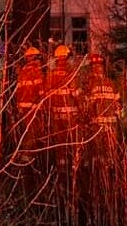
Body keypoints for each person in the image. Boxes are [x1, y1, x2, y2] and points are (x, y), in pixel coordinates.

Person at [46, 45, 80, 178]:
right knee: (72, 141)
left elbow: (47, 97)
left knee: (60, 142)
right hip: (71, 114)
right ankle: (73, 168)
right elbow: (76, 93)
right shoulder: (71, 73)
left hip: (56, 115)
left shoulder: (50, 75)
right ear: (66, 57)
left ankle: (61, 168)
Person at [82, 53, 121, 167]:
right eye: (96, 66)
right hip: (109, 123)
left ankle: (101, 172)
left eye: (98, 66)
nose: (97, 68)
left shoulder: (89, 84)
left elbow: (85, 105)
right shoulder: (111, 83)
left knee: (99, 151)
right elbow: (118, 104)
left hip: (98, 123)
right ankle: (109, 170)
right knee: (107, 150)